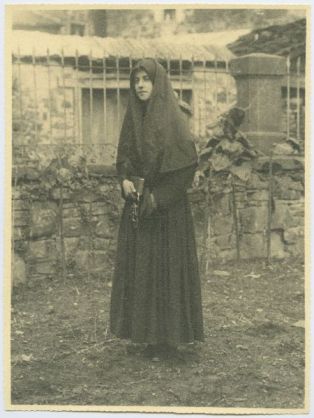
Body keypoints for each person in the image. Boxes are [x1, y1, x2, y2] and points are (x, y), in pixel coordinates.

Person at [110, 58, 204, 359]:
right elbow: (124, 154)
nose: (140, 84)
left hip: (167, 211)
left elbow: (185, 166)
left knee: (168, 271)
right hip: (139, 207)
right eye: (136, 79)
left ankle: (171, 340)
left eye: (146, 79)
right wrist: (125, 179)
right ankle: (147, 338)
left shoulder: (173, 120)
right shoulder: (133, 118)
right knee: (143, 272)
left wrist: (158, 198)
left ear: (158, 82)